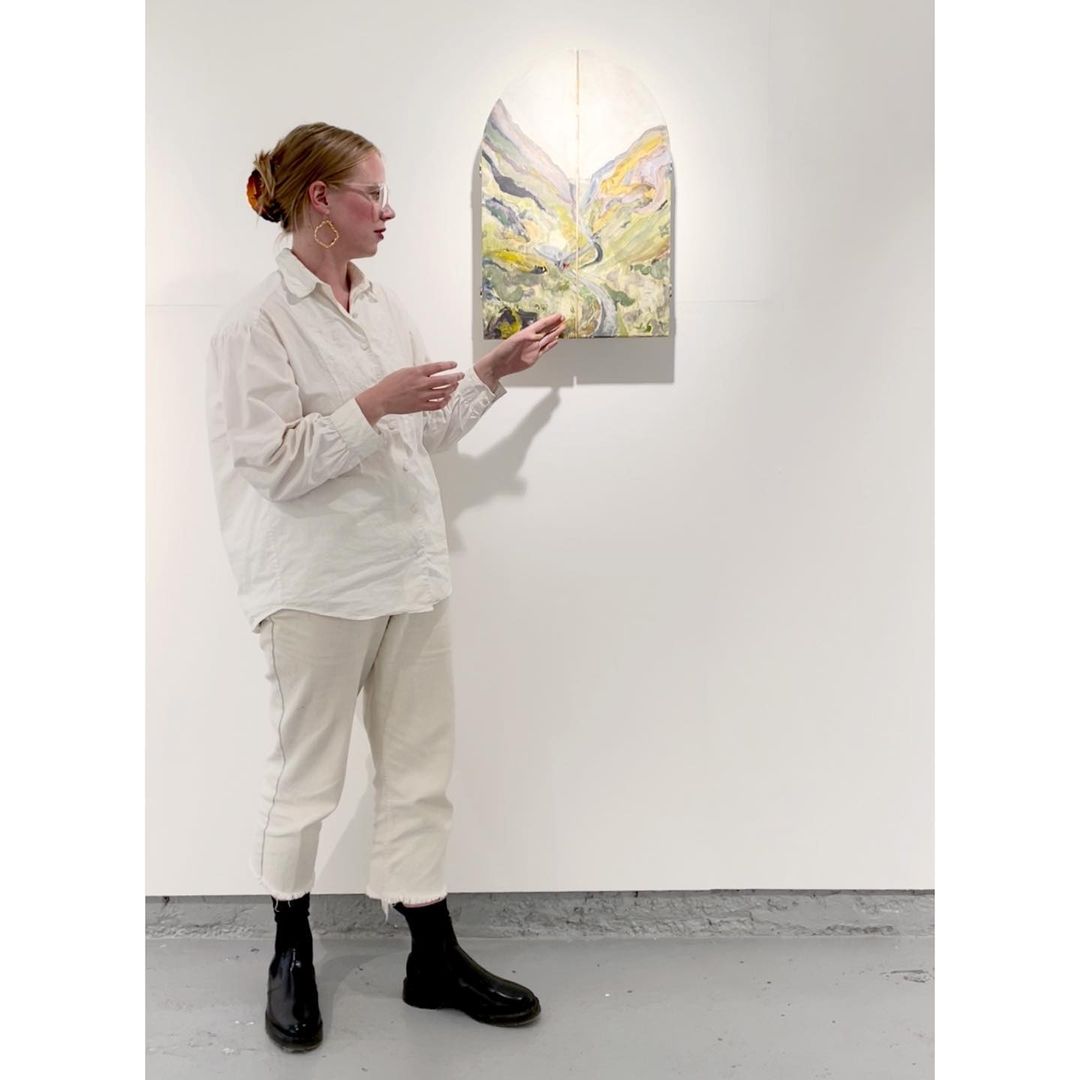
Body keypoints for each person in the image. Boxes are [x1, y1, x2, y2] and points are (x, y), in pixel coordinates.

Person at [204, 121, 564, 1052]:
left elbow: (424, 431)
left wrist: (489, 374)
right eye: (373, 192)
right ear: (320, 200)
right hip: (316, 587)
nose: (388, 211)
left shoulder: (383, 306)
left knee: (419, 773)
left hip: (410, 573)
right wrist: (371, 405)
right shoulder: (257, 323)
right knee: (306, 779)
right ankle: (290, 952)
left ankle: (430, 956)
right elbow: (272, 465)